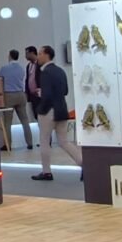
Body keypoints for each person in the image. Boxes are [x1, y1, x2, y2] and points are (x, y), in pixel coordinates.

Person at [32, 45, 82, 181]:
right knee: (64, 141)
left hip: (48, 111)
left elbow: (47, 95)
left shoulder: (45, 72)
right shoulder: (60, 71)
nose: (38, 57)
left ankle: (46, 171)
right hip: (62, 109)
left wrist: (40, 108)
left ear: (46, 55)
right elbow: (65, 91)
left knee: (44, 141)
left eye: (40, 53)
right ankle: (84, 164)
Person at [0, 49, 33, 151]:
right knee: (25, 120)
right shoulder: (21, 68)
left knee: (8, 122)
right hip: (21, 94)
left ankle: (8, 145)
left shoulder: (4, 68)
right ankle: (30, 143)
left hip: (9, 95)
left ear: (10, 56)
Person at [24, 45, 41, 144]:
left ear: (32, 53)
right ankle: (43, 138)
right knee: (36, 117)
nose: (25, 56)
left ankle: (47, 140)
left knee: (42, 117)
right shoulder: (28, 66)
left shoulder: (40, 64)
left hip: (40, 95)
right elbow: (27, 80)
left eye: (27, 53)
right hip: (32, 96)